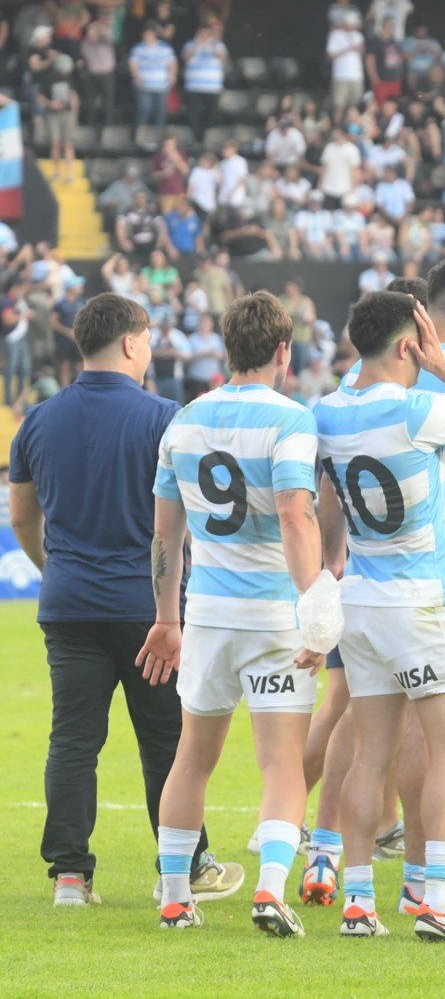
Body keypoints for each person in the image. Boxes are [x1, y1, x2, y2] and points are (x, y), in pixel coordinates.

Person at [9, 293, 240, 906]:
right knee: (166, 738)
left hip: (70, 604)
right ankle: (187, 866)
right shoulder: (166, 416)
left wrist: (49, 567)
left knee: (74, 739)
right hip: (148, 609)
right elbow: (190, 517)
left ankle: (69, 876)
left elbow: (22, 516)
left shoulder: (38, 418)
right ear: (134, 343)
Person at [315, 290, 445, 943]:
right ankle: (439, 899)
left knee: (368, 754)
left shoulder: (323, 410)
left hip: (363, 595)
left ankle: (358, 901)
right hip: (424, 600)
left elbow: (323, 503)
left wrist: (329, 564)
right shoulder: (417, 407)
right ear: (410, 344)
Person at [138, 291, 338, 935]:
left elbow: (165, 536)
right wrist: (316, 609)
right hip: (273, 614)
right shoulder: (290, 419)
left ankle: (174, 896)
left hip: (209, 613)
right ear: (284, 351)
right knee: (281, 762)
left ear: (227, 348)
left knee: (192, 757)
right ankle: (271, 891)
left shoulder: (184, 420)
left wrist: (167, 618)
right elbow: (292, 513)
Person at [181, 24, 227, 145]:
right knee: (194, 115)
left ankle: (209, 139)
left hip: (212, 88)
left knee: (211, 114)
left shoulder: (217, 44)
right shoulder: (190, 44)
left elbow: (222, 56)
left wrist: (212, 44)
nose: (204, 36)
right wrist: (198, 45)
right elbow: (185, 57)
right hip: (194, 87)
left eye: (207, 33)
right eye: (202, 33)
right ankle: (196, 139)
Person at [129, 24, 176, 129]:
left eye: (148, 34)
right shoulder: (138, 48)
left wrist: (172, 77)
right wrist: (137, 77)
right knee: (144, 109)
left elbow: (172, 63)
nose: (146, 36)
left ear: (154, 34)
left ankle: (159, 136)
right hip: (144, 85)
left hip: (162, 85)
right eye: (145, 34)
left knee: (160, 112)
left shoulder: (165, 47)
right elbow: (133, 64)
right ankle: (141, 134)